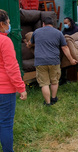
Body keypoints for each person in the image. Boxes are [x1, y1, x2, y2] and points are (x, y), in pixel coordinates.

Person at [27, 17, 77, 106]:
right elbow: (64, 48)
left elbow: (30, 44)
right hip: (54, 61)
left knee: (44, 83)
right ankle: (54, 98)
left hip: (40, 61)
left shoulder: (37, 32)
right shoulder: (58, 33)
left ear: (43, 24)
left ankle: (48, 103)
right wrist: (71, 59)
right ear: (52, 25)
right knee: (54, 81)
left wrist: (28, 44)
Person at [0, 9, 27, 152]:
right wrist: (21, 87)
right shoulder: (5, 41)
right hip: (4, 90)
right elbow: (11, 67)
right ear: (2, 24)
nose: (8, 26)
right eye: (8, 23)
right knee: (5, 124)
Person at [59, 17, 78, 92]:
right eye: (64, 23)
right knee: (63, 66)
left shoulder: (77, 30)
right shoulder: (65, 31)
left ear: (70, 23)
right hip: (67, 52)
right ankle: (64, 79)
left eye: (66, 23)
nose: (65, 24)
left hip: (76, 52)